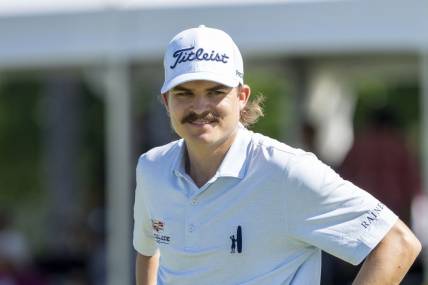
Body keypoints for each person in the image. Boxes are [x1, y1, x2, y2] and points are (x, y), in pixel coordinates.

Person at [133, 25, 421, 285]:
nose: (200, 106)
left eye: (215, 91)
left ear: (242, 97)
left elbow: (398, 243)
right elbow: (148, 251)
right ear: (166, 101)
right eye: (184, 93)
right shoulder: (151, 167)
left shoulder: (286, 170)